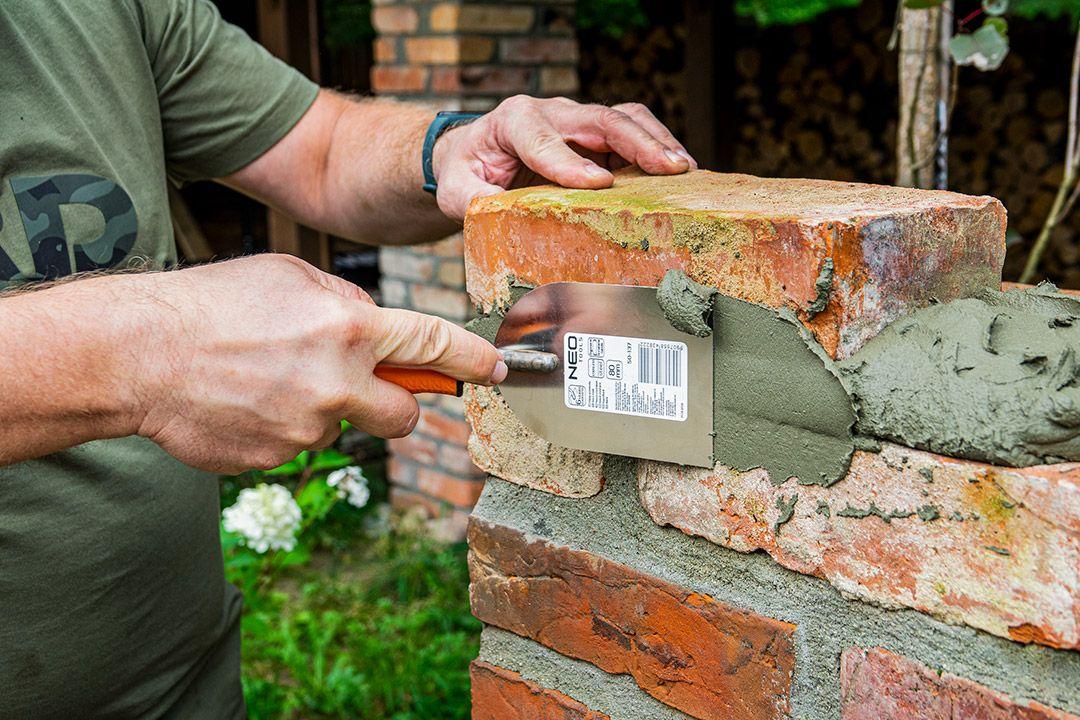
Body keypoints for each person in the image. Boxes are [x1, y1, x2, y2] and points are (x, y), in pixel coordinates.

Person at [0, 1, 695, 717]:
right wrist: (145, 352)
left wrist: (451, 148)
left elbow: (320, 146)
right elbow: (144, 350)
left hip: (181, 685)